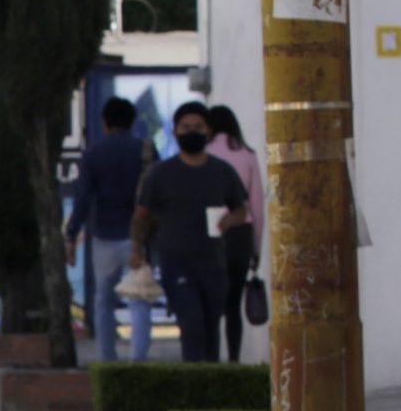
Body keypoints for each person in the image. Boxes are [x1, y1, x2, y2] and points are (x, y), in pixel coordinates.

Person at [131, 100, 253, 364]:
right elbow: (142, 216)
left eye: (198, 127)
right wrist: (136, 252)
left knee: (211, 330)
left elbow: (241, 209)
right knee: (192, 325)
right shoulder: (161, 174)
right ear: (175, 132)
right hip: (176, 264)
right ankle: (193, 381)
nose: (192, 132)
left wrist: (230, 221)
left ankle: (209, 389)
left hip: (214, 264)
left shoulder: (222, 171)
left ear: (209, 132)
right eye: (185, 127)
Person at [65, 96, 153, 364]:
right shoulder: (144, 150)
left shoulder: (93, 153)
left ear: (104, 123)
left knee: (103, 301)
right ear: (131, 121)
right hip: (136, 238)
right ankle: (138, 360)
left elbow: (82, 198)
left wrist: (71, 235)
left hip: (103, 235)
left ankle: (108, 359)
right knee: (139, 298)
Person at [206, 105, 267, 363]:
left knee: (210, 304)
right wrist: (256, 248)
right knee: (233, 307)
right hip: (241, 236)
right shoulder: (248, 155)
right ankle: (233, 360)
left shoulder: (203, 154)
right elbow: (257, 207)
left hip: (211, 234)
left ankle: (210, 362)